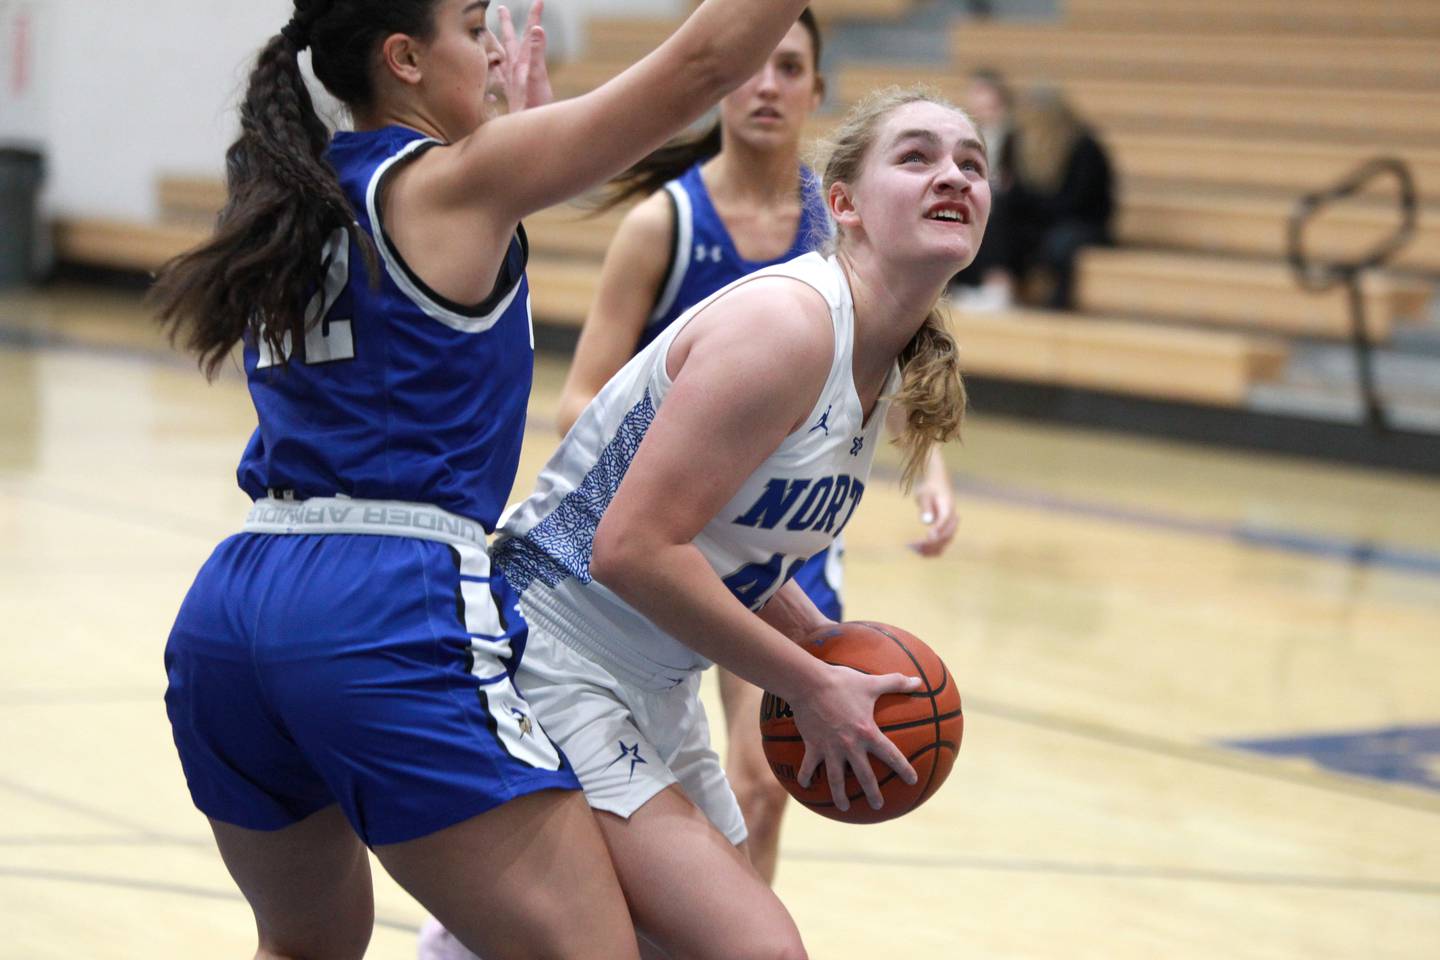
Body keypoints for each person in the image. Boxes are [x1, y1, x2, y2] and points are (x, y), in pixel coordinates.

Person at [148, 0, 815, 956]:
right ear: (405, 58)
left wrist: (503, 129)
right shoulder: (457, 184)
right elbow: (704, 64)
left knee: (305, 946)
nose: (495, 48)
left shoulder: (291, 194)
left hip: (236, 603)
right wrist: (508, 141)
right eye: (472, 27)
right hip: (381, 604)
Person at [434, 84, 989, 960]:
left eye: (971, 162)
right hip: (549, 650)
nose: (952, 174)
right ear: (842, 204)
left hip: (651, 676)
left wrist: (815, 638)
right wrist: (808, 685)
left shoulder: (880, 360)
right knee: (753, 948)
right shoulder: (788, 326)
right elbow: (631, 548)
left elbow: (727, 539)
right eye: (917, 157)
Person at [552, 9, 959, 889]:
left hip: (769, 539)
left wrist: (927, 467)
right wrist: (646, 437)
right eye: (752, 64)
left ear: (816, 91)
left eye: (791, 68)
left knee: (764, 782)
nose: (767, 85)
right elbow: (583, 403)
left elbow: (870, 401)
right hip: (647, 540)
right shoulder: (680, 230)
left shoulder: (864, 263)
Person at [1004, 88, 1114, 309]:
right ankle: (997, 287)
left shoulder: (1084, 148)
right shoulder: (1019, 144)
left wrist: (1030, 202)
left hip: (1083, 222)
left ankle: (1060, 304)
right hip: (1045, 217)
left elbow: (1078, 202)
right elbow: (1016, 193)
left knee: (1060, 243)